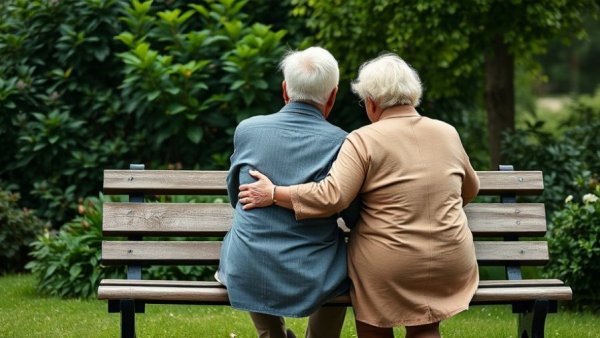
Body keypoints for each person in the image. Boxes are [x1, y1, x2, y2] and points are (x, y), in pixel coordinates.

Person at [238, 53, 480, 338]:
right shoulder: (447, 132)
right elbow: (470, 188)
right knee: (425, 327)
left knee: (375, 325)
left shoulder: (363, 139)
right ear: (413, 95)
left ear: (372, 102)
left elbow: (333, 197)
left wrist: (275, 193)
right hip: (450, 260)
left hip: (389, 265)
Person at [216, 46, 359, 338]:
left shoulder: (248, 130)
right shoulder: (343, 141)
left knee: (249, 254)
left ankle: (273, 336)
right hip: (314, 271)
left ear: (285, 89)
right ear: (332, 95)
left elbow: (237, 198)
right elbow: (351, 213)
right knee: (341, 267)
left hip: (249, 267)